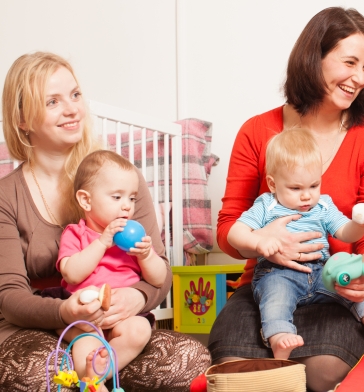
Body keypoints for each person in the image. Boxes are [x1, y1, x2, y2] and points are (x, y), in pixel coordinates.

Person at [209, 7, 364, 392]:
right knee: (238, 375)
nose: (359, 78)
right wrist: (268, 242)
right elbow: (228, 229)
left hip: (338, 284)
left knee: (320, 370)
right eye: (349, 63)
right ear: (315, 58)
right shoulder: (257, 130)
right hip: (268, 284)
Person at [0, 52, 210, 391]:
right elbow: (9, 297)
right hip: (37, 326)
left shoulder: (121, 180)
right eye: (53, 101)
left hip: (115, 327)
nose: (72, 110)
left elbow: (158, 272)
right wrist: (66, 313)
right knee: (38, 377)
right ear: (22, 119)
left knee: (189, 360)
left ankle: (95, 375)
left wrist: (137, 299)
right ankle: (91, 377)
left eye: (75, 95)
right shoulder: (6, 195)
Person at [227, 128, 364, 360]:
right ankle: (279, 337)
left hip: (321, 271)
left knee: (353, 289)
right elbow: (235, 233)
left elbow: (345, 233)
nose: (306, 196)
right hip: (279, 273)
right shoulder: (266, 205)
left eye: (314, 186)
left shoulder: (323, 206)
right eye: (295, 188)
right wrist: (258, 242)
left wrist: (359, 224)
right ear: (273, 184)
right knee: (275, 299)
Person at [54, 150, 166, 388]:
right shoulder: (76, 234)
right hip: (85, 317)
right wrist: (102, 242)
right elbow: (71, 273)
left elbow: (158, 279)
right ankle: (94, 375)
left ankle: (97, 376)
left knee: (139, 329)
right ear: (86, 200)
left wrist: (146, 255)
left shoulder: (134, 238)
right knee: (88, 339)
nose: (127, 206)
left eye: (132, 198)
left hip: (123, 317)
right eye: (117, 197)